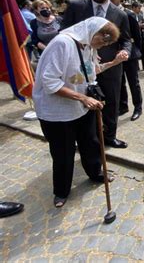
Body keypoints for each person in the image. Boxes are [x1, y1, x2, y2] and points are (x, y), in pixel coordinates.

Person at [33, 17, 127, 207]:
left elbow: (90, 73)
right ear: (94, 30)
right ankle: (61, 191)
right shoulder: (62, 44)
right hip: (58, 113)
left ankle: (95, 173)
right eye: (104, 39)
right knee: (63, 153)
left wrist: (114, 62)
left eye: (108, 42)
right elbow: (50, 82)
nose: (104, 44)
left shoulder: (87, 46)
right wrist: (84, 98)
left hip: (82, 107)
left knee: (90, 143)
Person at [62, 0, 132, 149]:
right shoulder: (76, 6)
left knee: (111, 103)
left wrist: (124, 52)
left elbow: (126, 40)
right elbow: (63, 34)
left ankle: (109, 137)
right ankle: (87, 141)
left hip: (111, 67)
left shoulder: (120, 14)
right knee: (84, 104)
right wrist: (84, 48)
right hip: (82, 68)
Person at [110, 0, 144, 122]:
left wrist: (137, 52)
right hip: (115, 54)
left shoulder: (129, 15)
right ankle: (123, 106)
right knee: (120, 82)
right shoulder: (108, 14)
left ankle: (138, 107)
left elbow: (137, 36)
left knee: (133, 82)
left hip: (130, 54)